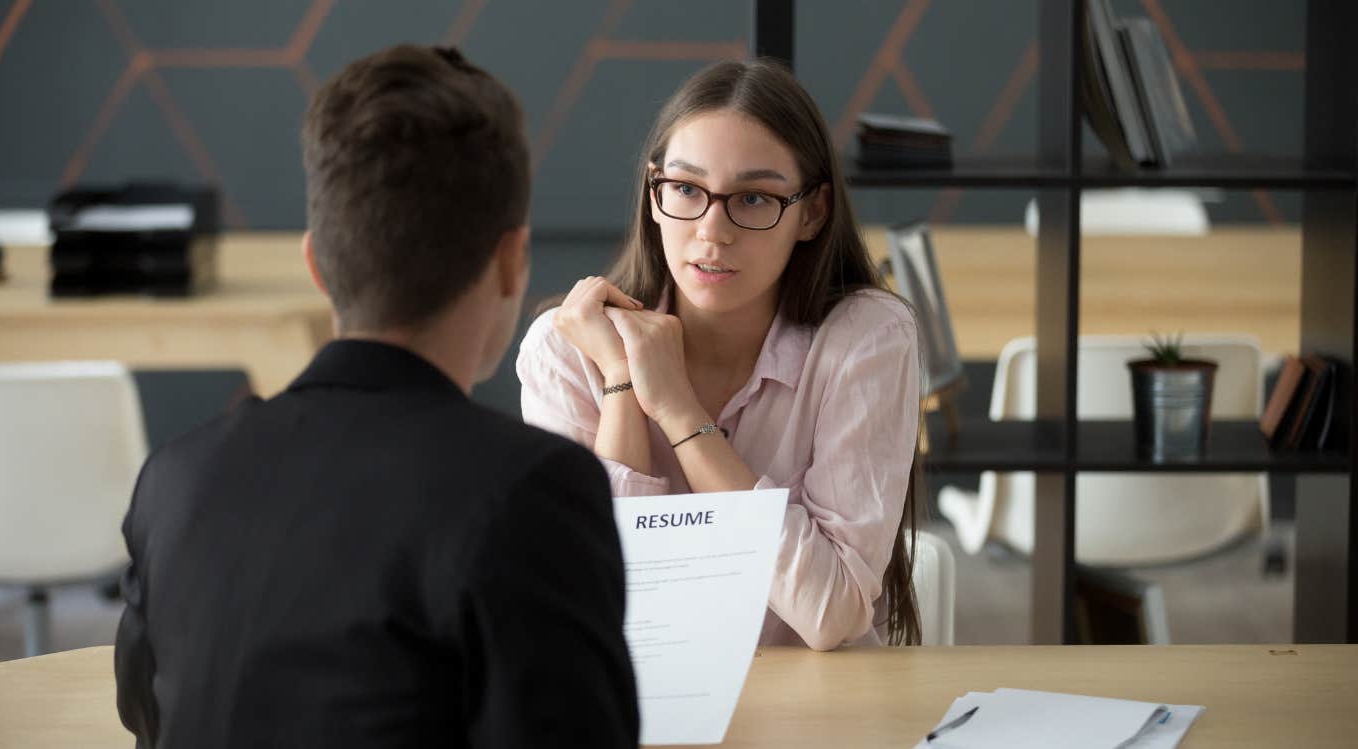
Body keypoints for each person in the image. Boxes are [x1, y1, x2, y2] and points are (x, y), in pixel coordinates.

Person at [114, 45, 638, 748]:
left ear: (317, 265)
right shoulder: (531, 490)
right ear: (512, 260)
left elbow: (148, 719)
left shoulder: (173, 478)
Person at [517, 58, 924, 651]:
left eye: (754, 199)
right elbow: (602, 604)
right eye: (685, 189)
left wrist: (682, 414)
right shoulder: (565, 349)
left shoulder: (866, 337)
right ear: (654, 195)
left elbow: (832, 611)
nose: (712, 231)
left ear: (811, 212)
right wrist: (622, 384)